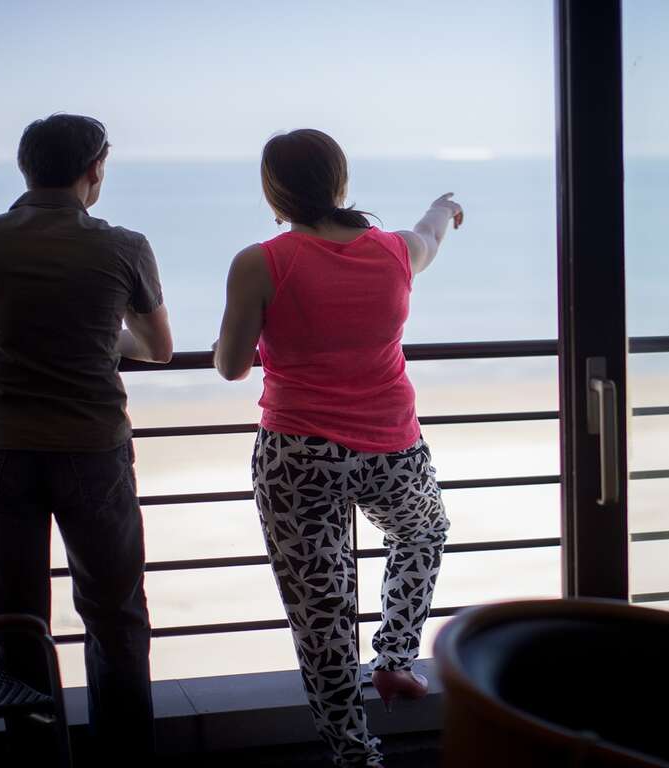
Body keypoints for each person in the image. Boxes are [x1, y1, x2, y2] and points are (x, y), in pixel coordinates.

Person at [214, 128, 459, 767]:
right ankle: (397, 657)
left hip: (298, 455)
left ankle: (356, 756)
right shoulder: (396, 252)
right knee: (423, 534)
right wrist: (444, 207)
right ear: (341, 182)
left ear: (274, 191)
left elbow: (231, 366)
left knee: (322, 613)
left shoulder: (260, 261)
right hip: (392, 447)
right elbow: (429, 234)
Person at [0, 114, 172, 761]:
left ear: (25, 168)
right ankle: (125, 757)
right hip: (93, 448)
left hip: (0, 450)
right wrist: (102, 337)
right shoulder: (123, 246)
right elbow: (157, 347)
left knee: (16, 618)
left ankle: (37, 752)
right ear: (95, 168)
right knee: (115, 614)